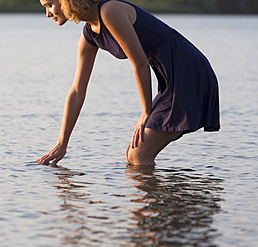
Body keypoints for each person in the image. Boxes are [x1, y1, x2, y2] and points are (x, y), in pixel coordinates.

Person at [36, 0, 220, 166]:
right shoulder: (89, 36)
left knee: (138, 155)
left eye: (49, 5)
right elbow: (77, 91)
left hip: (187, 72)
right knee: (134, 155)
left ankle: (155, 203)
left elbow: (140, 63)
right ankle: (158, 202)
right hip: (170, 77)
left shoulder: (110, 11)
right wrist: (62, 143)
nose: (47, 13)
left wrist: (145, 113)